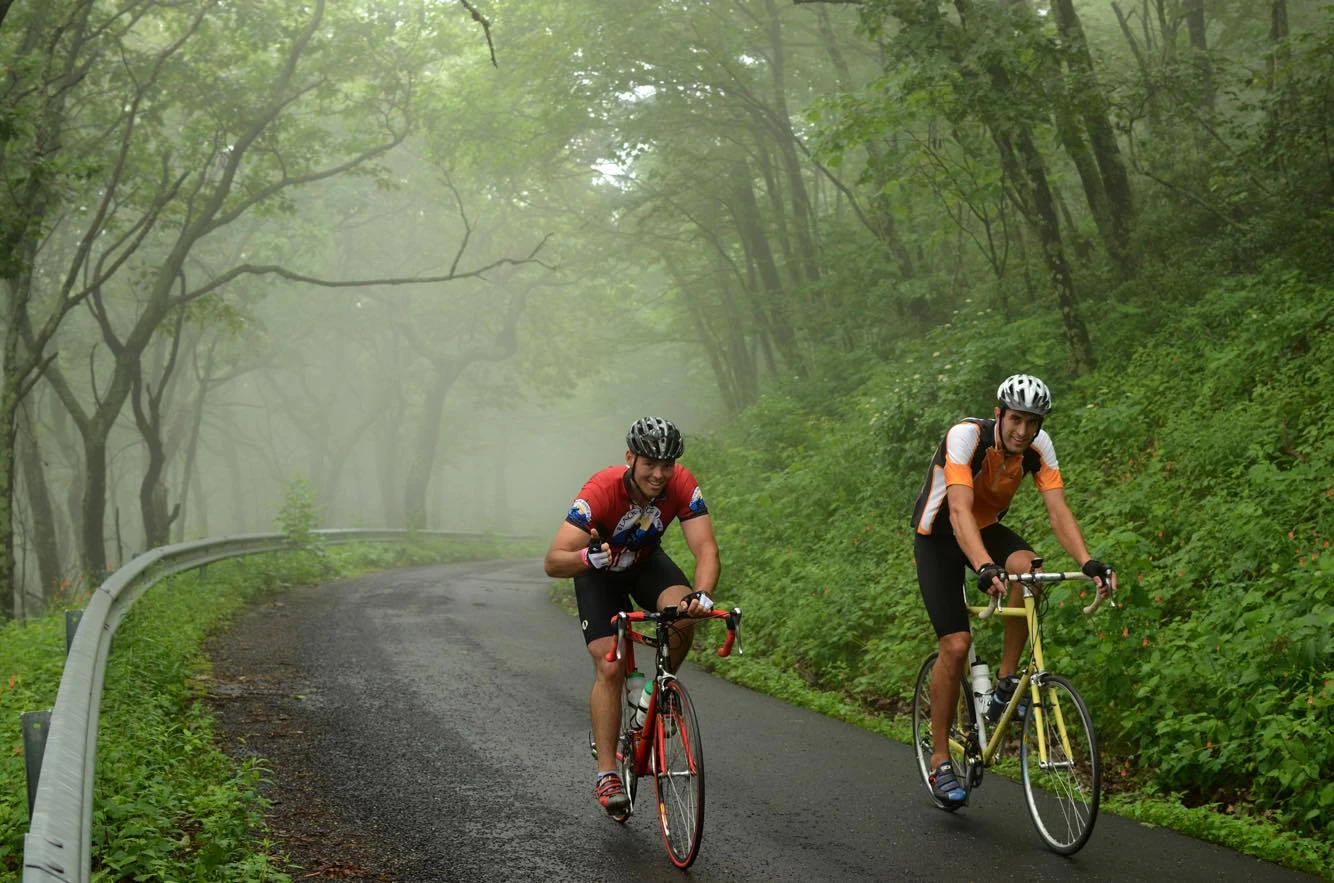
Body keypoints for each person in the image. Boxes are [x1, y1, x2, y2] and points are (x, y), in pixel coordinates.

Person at [910, 374, 1116, 807]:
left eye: (1033, 422)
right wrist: (983, 566)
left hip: (985, 529)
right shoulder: (967, 437)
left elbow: (1058, 513)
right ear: (999, 413)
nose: (1023, 431)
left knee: (1030, 571)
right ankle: (941, 758)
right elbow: (960, 511)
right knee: (956, 644)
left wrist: (1088, 562)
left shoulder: (1039, 450)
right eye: (1016, 420)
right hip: (940, 537)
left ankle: (1005, 684)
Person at [543, 416, 720, 820]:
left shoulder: (681, 485)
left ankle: (653, 697)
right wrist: (586, 558)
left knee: (683, 613)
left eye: (667, 465)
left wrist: (703, 594)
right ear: (630, 459)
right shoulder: (601, 490)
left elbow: (706, 548)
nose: (659, 475)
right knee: (611, 664)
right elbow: (554, 562)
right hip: (597, 571)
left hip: (644, 562)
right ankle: (607, 772)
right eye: (649, 465)